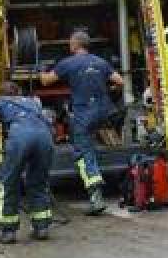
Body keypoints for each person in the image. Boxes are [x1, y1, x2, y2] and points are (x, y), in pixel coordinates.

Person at [40, 30, 124, 215]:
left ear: (76, 45)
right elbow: (120, 81)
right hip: (105, 112)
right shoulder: (100, 62)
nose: (69, 45)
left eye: (70, 42)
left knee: (84, 152)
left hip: (84, 113)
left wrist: (40, 71)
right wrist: (107, 89)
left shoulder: (68, 63)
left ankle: (96, 197)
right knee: (91, 137)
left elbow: (46, 81)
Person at [0, 81, 55, 243]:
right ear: (18, 93)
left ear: (1, 93)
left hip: (20, 138)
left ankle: (7, 231)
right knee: (39, 181)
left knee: (9, 182)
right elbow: (49, 117)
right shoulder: (33, 101)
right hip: (45, 137)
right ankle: (42, 228)